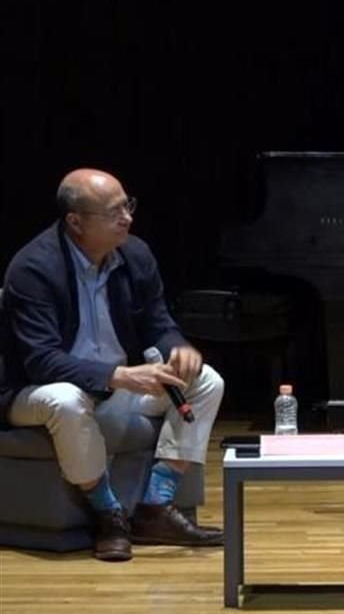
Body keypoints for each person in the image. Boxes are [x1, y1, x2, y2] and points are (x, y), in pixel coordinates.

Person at [0, 168, 226, 561]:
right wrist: (119, 376)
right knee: (66, 400)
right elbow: (41, 361)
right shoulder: (33, 269)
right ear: (76, 222)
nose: (127, 218)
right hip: (32, 391)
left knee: (206, 381)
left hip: (114, 388)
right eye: (114, 211)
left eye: (128, 205)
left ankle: (156, 507)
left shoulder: (134, 253)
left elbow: (158, 322)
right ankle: (108, 515)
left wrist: (178, 347)